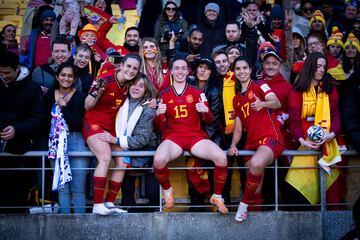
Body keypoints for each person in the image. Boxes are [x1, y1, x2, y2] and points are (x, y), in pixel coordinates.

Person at [153, 57, 228, 214]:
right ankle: (168, 191)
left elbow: (209, 119)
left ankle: (217, 196)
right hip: (173, 137)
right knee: (159, 160)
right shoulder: (164, 94)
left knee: (221, 157)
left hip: (195, 136)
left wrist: (205, 111)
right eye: (177, 68)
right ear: (172, 71)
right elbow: (158, 127)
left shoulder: (198, 92)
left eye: (183, 68)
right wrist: (159, 115)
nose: (180, 71)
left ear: (188, 71)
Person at [82, 54, 141, 215]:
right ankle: (97, 204)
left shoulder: (130, 84)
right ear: (121, 65)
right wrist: (97, 93)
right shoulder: (105, 80)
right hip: (93, 123)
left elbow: (146, 89)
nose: (131, 70)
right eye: (128, 66)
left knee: (123, 162)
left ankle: (109, 202)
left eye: (135, 68)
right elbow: (87, 106)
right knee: (105, 158)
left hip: (111, 128)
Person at [228, 55, 283, 222]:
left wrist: (263, 104)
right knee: (255, 189)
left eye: (245, 68)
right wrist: (233, 145)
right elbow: (238, 128)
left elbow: (277, 102)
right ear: (234, 72)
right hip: (251, 143)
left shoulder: (261, 85)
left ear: (251, 70)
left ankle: (242, 205)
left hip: (270, 137)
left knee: (256, 164)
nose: (242, 71)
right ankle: (258, 224)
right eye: (238, 69)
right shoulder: (236, 99)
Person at [286, 52, 344, 209]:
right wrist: (302, 140)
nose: (321, 70)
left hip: (328, 142)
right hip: (304, 143)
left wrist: (331, 135)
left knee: (332, 187)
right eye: (318, 66)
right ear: (310, 66)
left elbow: (336, 116)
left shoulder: (329, 88)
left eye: (324, 67)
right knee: (300, 182)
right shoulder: (297, 90)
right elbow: (294, 121)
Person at [97, 73, 160, 211]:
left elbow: (142, 139)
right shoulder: (120, 102)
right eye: (133, 84)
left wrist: (115, 140)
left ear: (146, 90)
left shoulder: (148, 109)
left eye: (141, 85)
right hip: (125, 150)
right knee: (127, 198)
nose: (136, 88)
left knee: (153, 196)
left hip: (145, 152)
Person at [0, 51, 45, 212]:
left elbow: (39, 118)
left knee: (17, 200)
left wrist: (16, 130)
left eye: (7, 73)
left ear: (17, 68)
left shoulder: (32, 88)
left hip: (23, 153)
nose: (3, 76)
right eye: (0, 72)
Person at [45, 62, 88, 213]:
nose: (66, 78)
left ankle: (80, 225)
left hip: (76, 140)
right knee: (62, 188)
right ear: (57, 76)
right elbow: (44, 121)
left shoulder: (80, 97)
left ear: (75, 78)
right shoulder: (49, 94)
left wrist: (63, 106)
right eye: (63, 75)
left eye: (70, 76)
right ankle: (64, 228)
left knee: (78, 188)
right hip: (55, 142)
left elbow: (76, 124)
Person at [187, 58, 222, 209]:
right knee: (191, 169)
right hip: (190, 133)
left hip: (209, 136)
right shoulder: (188, 85)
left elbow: (213, 121)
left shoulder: (214, 91)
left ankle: (216, 205)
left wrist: (201, 140)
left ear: (212, 72)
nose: (203, 71)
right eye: (200, 67)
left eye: (207, 68)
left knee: (209, 171)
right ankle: (196, 205)